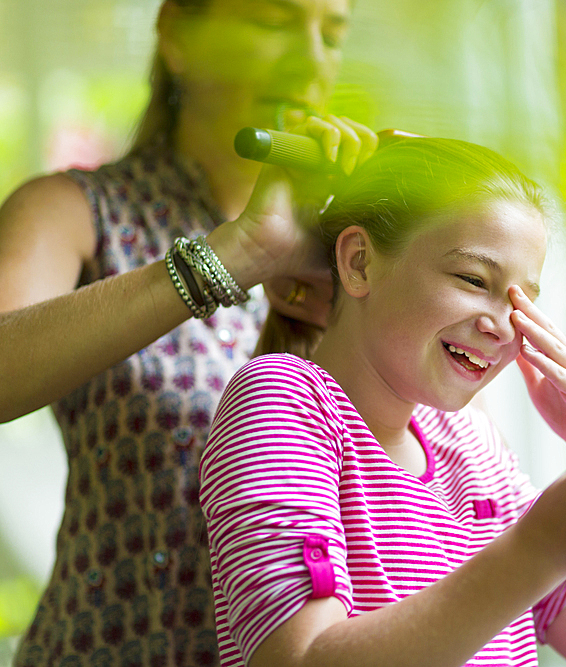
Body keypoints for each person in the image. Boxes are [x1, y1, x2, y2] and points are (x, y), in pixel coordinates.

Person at [199, 136, 566, 667]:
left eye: (523, 301)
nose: (503, 325)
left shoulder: (472, 447)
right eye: (472, 279)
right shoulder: (284, 401)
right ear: (360, 262)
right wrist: (537, 549)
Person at [0, 0, 377, 664]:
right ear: (177, 35)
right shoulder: (72, 209)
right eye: (273, 21)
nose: (313, 57)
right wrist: (239, 253)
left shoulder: (355, 246)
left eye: (333, 32)